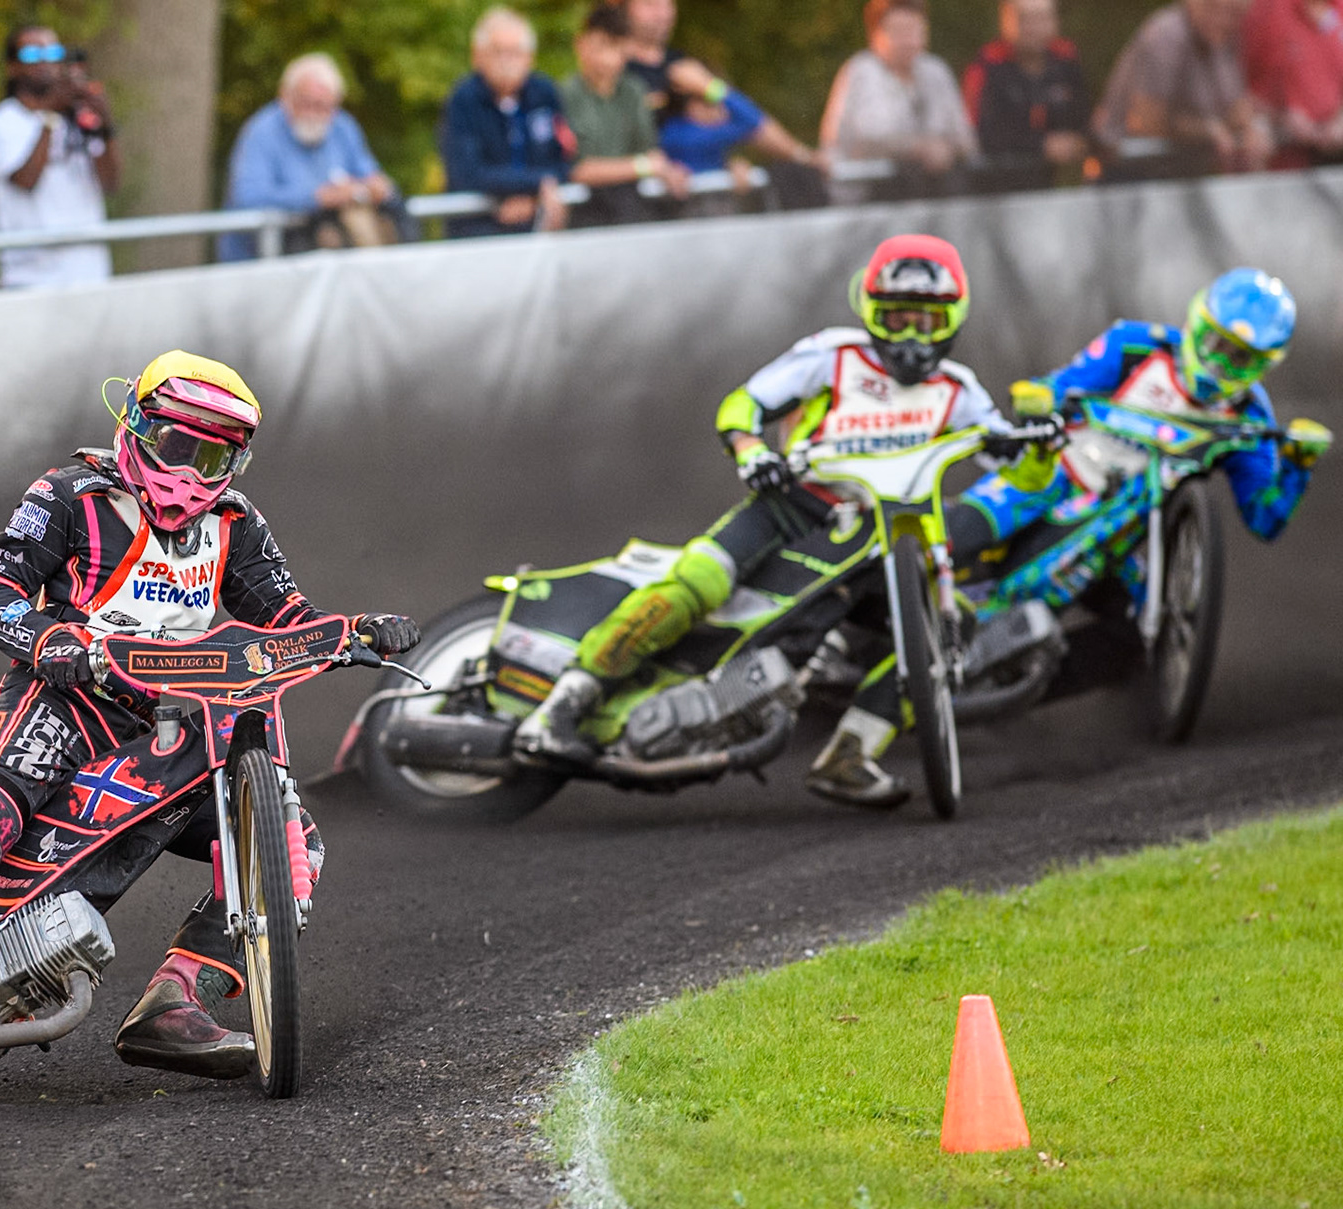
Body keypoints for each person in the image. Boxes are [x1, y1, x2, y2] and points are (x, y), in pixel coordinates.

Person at [0, 351, 420, 1078]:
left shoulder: (236, 521)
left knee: (293, 846)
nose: (191, 470)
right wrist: (50, 640)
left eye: (212, 456)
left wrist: (354, 631)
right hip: (62, 704)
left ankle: (172, 1004)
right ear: (137, 427)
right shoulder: (69, 493)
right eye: (178, 446)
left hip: (167, 729)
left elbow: (285, 616)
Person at [514, 235, 1061, 808]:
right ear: (871, 310)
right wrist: (752, 454)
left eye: (924, 322)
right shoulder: (834, 354)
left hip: (878, 541)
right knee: (698, 584)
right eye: (896, 318)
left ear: (951, 320)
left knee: (955, 626)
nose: (908, 336)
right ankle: (563, 706)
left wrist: (1043, 441)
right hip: (792, 507)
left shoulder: (959, 389)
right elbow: (741, 405)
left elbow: (1017, 468)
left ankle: (850, 755)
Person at [962, 270, 1330, 577]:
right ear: (1197, 325)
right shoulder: (1134, 346)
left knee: (1130, 644)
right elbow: (1059, 387)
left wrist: (1298, 464)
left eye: (1241, 359)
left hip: (1123, 536)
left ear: (1263, 365)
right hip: (1058, 475)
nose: (1221, 365)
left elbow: (1264, 518)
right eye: (1217, 345)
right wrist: (1039, 398)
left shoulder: (1252, 416)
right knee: (967, 530)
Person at [0, 23, 120, 289]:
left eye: (54, 53)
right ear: (12, 67)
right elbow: (25, 181)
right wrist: (50, 115)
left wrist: (106, 126)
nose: (45, 62)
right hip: (31, 279)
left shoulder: (77, 118)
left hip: (90, 273)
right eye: (32, 54)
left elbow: (111, 184)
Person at [220, 53, 399, 260]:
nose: (315, 113)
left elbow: (370, 175)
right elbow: (248, 197)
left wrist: (374, 187)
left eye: (324, 106)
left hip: (331, 264)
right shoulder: (261, 132)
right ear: (285, 96)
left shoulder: (343, 126)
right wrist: (318, 198)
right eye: (307, 103)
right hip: (264, 264)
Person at [618, 0, 822, 175]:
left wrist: (710, 88)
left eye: (667, 3)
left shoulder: (684, 66)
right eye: (649, 3)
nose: (661, 13)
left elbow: (747, 123)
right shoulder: (615, 72)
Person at [822, 0, 980, 203]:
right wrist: (917, 149)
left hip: (934, 198)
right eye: (899, 32)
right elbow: (862, 140)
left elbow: (966, 139)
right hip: (869, 201)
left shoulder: (936, 72)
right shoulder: (860, 73)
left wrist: (946, 150)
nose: (909, 41)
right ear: (875, 33)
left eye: (915, 31)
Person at [1093, 0, 1271, 175]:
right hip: (1128, 173)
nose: (1223, 19)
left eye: (1234, 13)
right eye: (1213, 7)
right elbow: (1145, 120)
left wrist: (1253, 128)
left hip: (1178, 176)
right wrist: (1206, 130)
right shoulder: (1167, 35)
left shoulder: (1227, 37)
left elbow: (1236, 105)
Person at [439, 7, 572, 238]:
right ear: (477, 56)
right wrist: (533, 184)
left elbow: (565, 160)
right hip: (478, 230)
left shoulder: (545, 94)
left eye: (514, 52)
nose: (506, 61)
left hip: (540, 226)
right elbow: (465, 172)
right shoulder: (463, 100)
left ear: (530, 57)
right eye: (497, 52)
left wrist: (531, 197)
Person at [558, 6, 689, 225]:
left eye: (615, 47)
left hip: (630, 209)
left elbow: (650, 151)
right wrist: (642, 167)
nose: (607, 58)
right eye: (601, 46)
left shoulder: (634, 91)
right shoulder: (565, 95)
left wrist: (666, 170)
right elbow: (577, 169)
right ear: (581, 44)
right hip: (584, 213)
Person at [960, 0, 1091, 182]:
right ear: (1007, 21)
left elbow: (1084, 117)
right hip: (995, 185)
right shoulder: (988, 66)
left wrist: (1077, 141)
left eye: (1042, 18)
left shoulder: (1066, 60)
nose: (1034, 28)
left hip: (1053, 184)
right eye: (1026, 19)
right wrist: (1041, 145)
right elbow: (979, 132)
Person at [1244, 0, 1343, 168]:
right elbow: (1245, 80)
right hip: (1281, 136)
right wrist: (1281, 116)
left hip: (1333, 140)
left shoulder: (1337, 11)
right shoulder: (1269, 10)